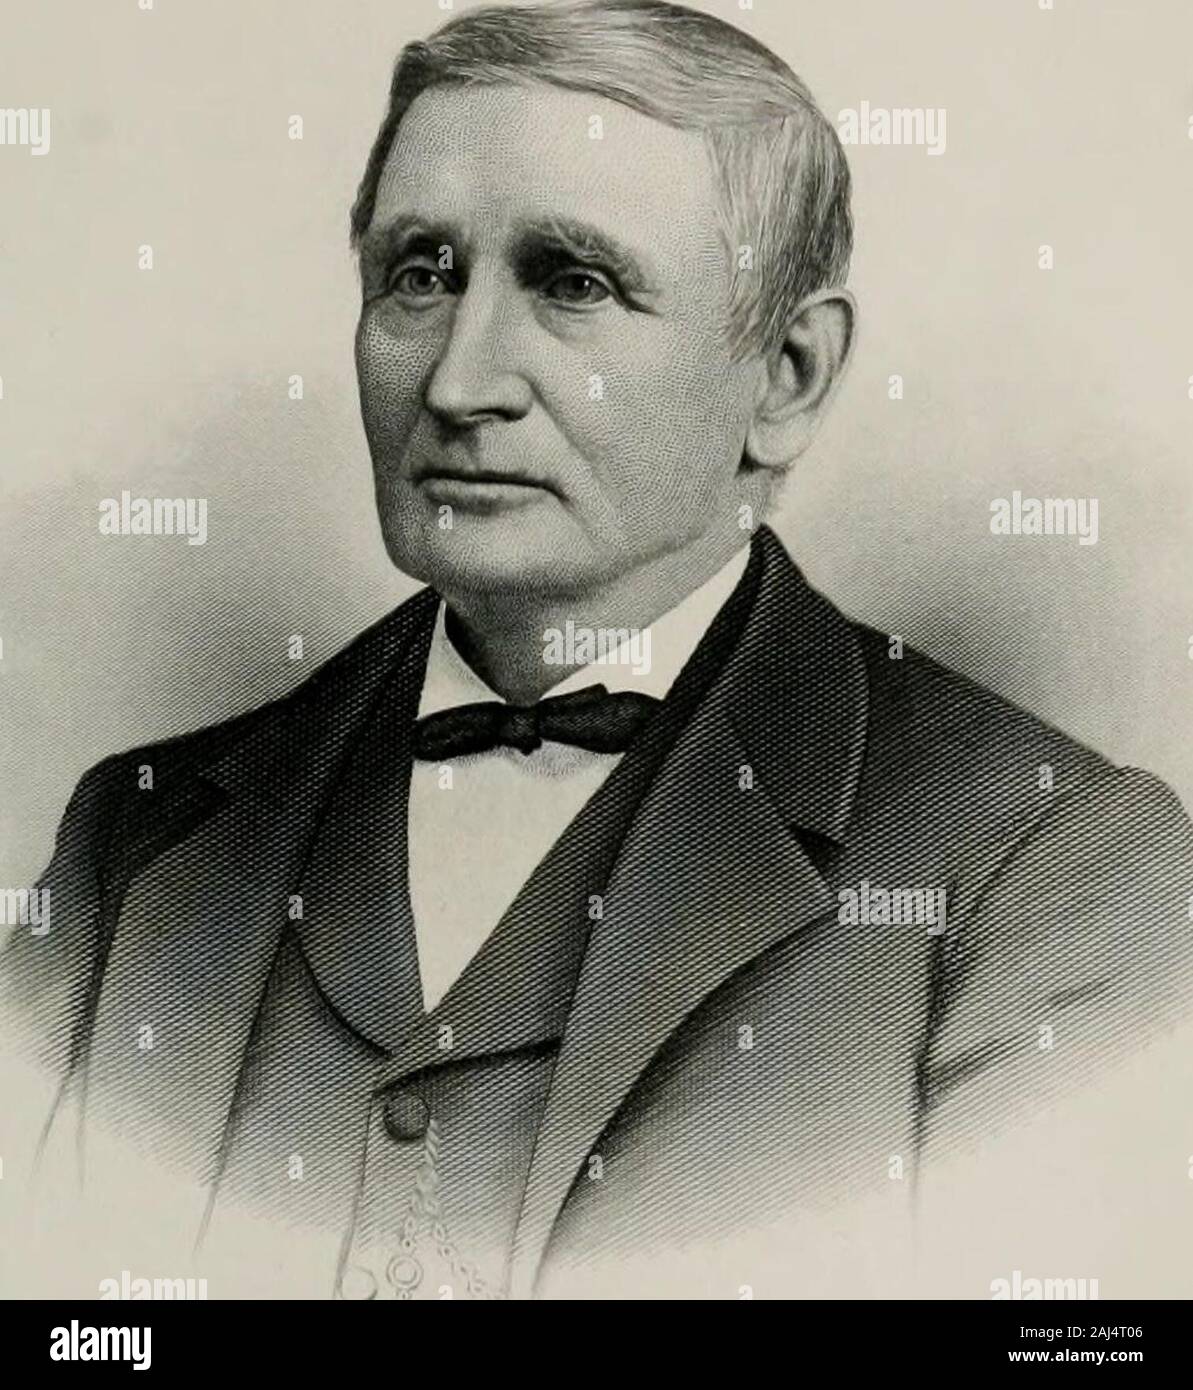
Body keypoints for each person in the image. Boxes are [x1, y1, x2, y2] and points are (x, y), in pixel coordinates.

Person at [5, 0, 1191, 1299]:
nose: (458, 384)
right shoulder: (137, 842)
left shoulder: (1051, 872)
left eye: (573, 284)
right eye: (420, 275)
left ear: (787, 376)